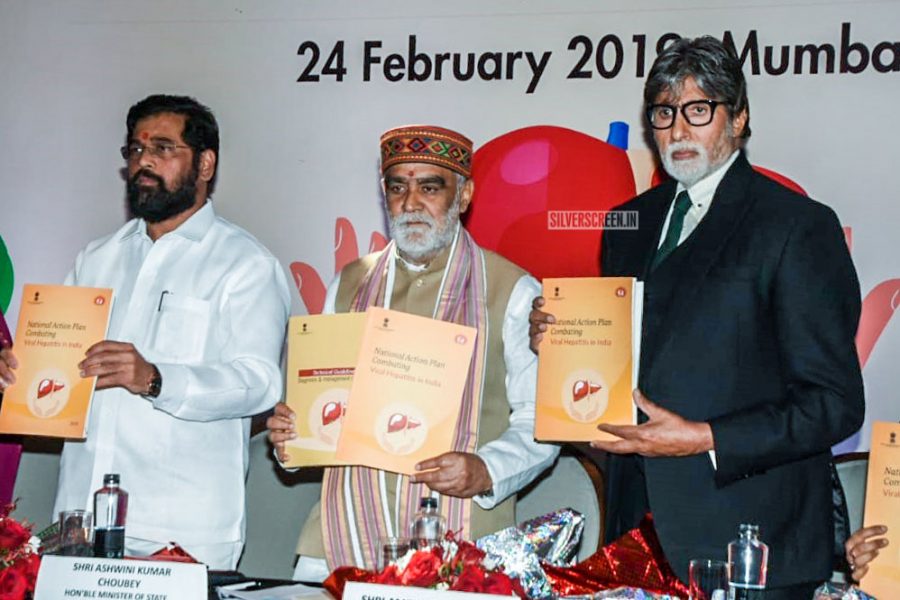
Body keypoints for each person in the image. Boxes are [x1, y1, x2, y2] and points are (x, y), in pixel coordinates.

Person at [529, 37, 864, 598]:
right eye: (663, 112)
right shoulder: (627, 223)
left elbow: (834, 402)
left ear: (739, 118)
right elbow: (628, 353)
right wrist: (564, 341)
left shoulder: (794, 226)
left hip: (751, 542)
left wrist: (705, 438)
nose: (678, 131)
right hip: (635, 534)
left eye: (698, 110)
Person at [0, 94, 290, 569]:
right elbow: (58, 372)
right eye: (134, 150)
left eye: (162, 147)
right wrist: (19, 374)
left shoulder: (245, 264)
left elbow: (259, 383)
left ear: (205, 163)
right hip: (79, 526)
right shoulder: (96, 258)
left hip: (182, 532)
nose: (144, 162)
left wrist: (156, 378)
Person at [267, 125, 559, 580]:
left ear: (463, 197)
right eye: (397, 186)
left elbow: (541, 422)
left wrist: (485, 470)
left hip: (465, 541)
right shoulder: (347, 284)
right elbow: (318, 408)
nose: (410, 203)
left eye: (430, 187)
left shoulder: (512, 290)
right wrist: (292, 433)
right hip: (342, 536)